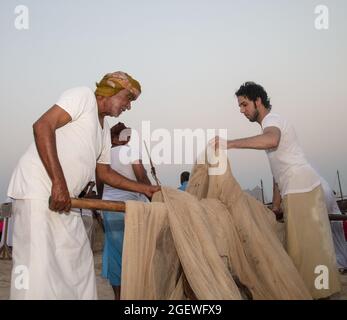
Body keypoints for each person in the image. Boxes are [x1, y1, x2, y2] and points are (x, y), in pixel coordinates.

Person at [7, 71, 160, 300]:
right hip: (38, 191)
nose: (128, 106)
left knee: (77, 266)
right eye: (127, 98)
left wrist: (145, 189)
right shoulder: (83, 96)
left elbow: (105, 173)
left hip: (65, 200)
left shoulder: (104, 132)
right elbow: (42, 126)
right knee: (37, 270)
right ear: (110, 90)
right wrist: (58, 183)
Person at [212, 81, 340, 299]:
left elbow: (272, 140)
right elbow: (277, 173)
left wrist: (230, 144)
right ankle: (317, 293)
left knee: (313, 253)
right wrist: (277, 205)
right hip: (295, 191)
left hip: (303, 190)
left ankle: (326, 295)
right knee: (301, 252)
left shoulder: (272, 121)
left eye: (244, 105)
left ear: (258, 101)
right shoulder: (268, 126)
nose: (242, 111)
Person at [100, 122, 152, 300]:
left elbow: (100, 182)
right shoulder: (131, 152)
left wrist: (101, 204)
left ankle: (119, 296)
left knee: (115, 253)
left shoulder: (104, 153)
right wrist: (151, 194)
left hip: (109, 208)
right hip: (131, 208)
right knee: (134, 251)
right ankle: (134, 295)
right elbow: (141, 176)